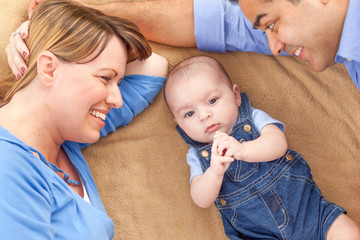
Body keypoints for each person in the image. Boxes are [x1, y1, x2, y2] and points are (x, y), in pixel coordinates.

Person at [0, 0, 168, 239]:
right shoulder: (9, 167)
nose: (117, 100)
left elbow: (153, 66)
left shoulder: (66, 140)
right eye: (105, 78)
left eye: (118, 82)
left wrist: (43, 28)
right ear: (49, 68)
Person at [163, 55, 360, 239]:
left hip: (309, 213)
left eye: (212, 101)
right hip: (258, 233)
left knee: (347, 232)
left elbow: (278, 144)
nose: (204, 115)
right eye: (189, 114)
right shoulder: (197, 156)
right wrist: (214, 172)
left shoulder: (253, 118)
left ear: (236, 96)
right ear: (179, 123)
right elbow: (201, 199)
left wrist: (244, 150)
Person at [10, 0, 359, 92]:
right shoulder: (329, 36)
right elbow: (213, 21)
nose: (274, 46)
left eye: (272, 25)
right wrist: (74, 18)